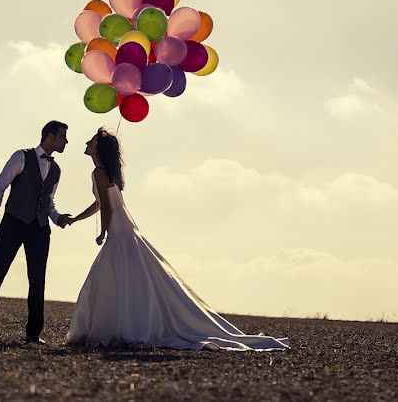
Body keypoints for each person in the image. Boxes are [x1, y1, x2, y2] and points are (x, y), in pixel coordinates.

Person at [65, 128, 289, 350]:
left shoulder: (99, 172)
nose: (87, 142)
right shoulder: (104, 172)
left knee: (114, 278)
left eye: (91, 141)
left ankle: (125, 328)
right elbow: (100, 203)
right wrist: (77, 219)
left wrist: (103, 231)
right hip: (123, 229)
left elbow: (106, 205)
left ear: (98, 148)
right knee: (123, 278)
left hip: (118, 231)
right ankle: (126, 326)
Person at [0, 121, 73, 345]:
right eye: (63, 136)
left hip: (40, 229)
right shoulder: (21, 157)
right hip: (14, 223)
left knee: (37, 281)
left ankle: (33, 333)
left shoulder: (56, 170)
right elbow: (0, 185)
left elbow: (49, 202)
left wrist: (57, 218)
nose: (66, 141)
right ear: (50, 136)